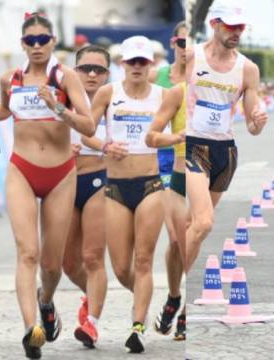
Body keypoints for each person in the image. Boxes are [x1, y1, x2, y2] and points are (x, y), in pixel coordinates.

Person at [0, 13, 94, 359]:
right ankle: (32, 330)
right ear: (22, 44)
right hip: (22, 170)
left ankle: (46, 302)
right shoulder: (10, 79)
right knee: (27, 253)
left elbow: (88, 125)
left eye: (43, 39)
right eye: (30, 40)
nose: (37, 46)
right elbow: (3, 109)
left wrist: (57, 106)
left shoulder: (65, 76)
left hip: (60, 173)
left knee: (51, 263)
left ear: (53, 41)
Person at [91, 35, 166, 353]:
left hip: (150, 185)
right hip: (116, 188)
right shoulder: (109, 93)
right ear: (122, 64)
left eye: (142, 61)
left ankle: (137, 327)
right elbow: (87, 130)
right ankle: (144, 303)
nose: (137, 67)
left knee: (144, 259)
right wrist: (105, 145)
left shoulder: (164, 96)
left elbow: (178, 131)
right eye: (131, 61)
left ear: (151, 65)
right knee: (121, 267)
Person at [185, 0, 268, 272]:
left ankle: (177, 293)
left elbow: (253, 128)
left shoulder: (248, 69)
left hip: (225, 151)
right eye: (231, 26)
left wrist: (258, 121)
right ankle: (175, 291)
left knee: (193, 226)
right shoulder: (191, 56)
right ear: (214, 24)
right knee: (204, 223)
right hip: (193, 146)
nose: (237, 32)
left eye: (241, 27)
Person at [61, 44, 110, 348]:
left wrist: (102, 144)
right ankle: (92, 295)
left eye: (99, 69)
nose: (91, 74)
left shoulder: (116, 100)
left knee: (93, 256)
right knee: (67, 264)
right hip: (65, 183)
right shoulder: (60, 100)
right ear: (75, 70)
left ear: (107, 73)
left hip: (99, 181)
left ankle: (91, 322)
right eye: (85, 68)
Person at [148, 21, 187, 340]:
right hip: (160, 164)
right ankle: (174, 295)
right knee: (175, 238)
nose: (185, 48)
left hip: (195, 166)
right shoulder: (157, 77)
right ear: (173, 42)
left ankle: (185, 309)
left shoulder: (207, 81)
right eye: (180, 42)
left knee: (191, 238)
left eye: (190, 43)